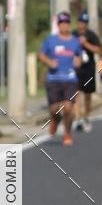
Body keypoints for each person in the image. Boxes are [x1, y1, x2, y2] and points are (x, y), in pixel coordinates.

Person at [38, 12, 83, 146]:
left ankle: (67, 133)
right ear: (58, 25)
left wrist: (78, 62)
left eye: (66, 23)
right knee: (53, 109)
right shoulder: (50, 40)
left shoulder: (75, 42)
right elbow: (41, 55)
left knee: (68, 107)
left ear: (69, 24)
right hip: (53, 79)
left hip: (70, 80)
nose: (64, 25)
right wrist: (49, 62)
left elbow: (79, 58)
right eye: (61, 23)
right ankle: (55, 120)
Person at [72, 11, 101, 132]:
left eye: (84, 22)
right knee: (77, 93)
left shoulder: (92, 35)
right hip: (76, 68)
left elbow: (98, 50)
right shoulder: (73, 34)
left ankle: (86, 117)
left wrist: (86, 43)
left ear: (86, 24)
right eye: (80, 22)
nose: (81, 24)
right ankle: (78, 118)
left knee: (88, 94)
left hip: (89, 68)